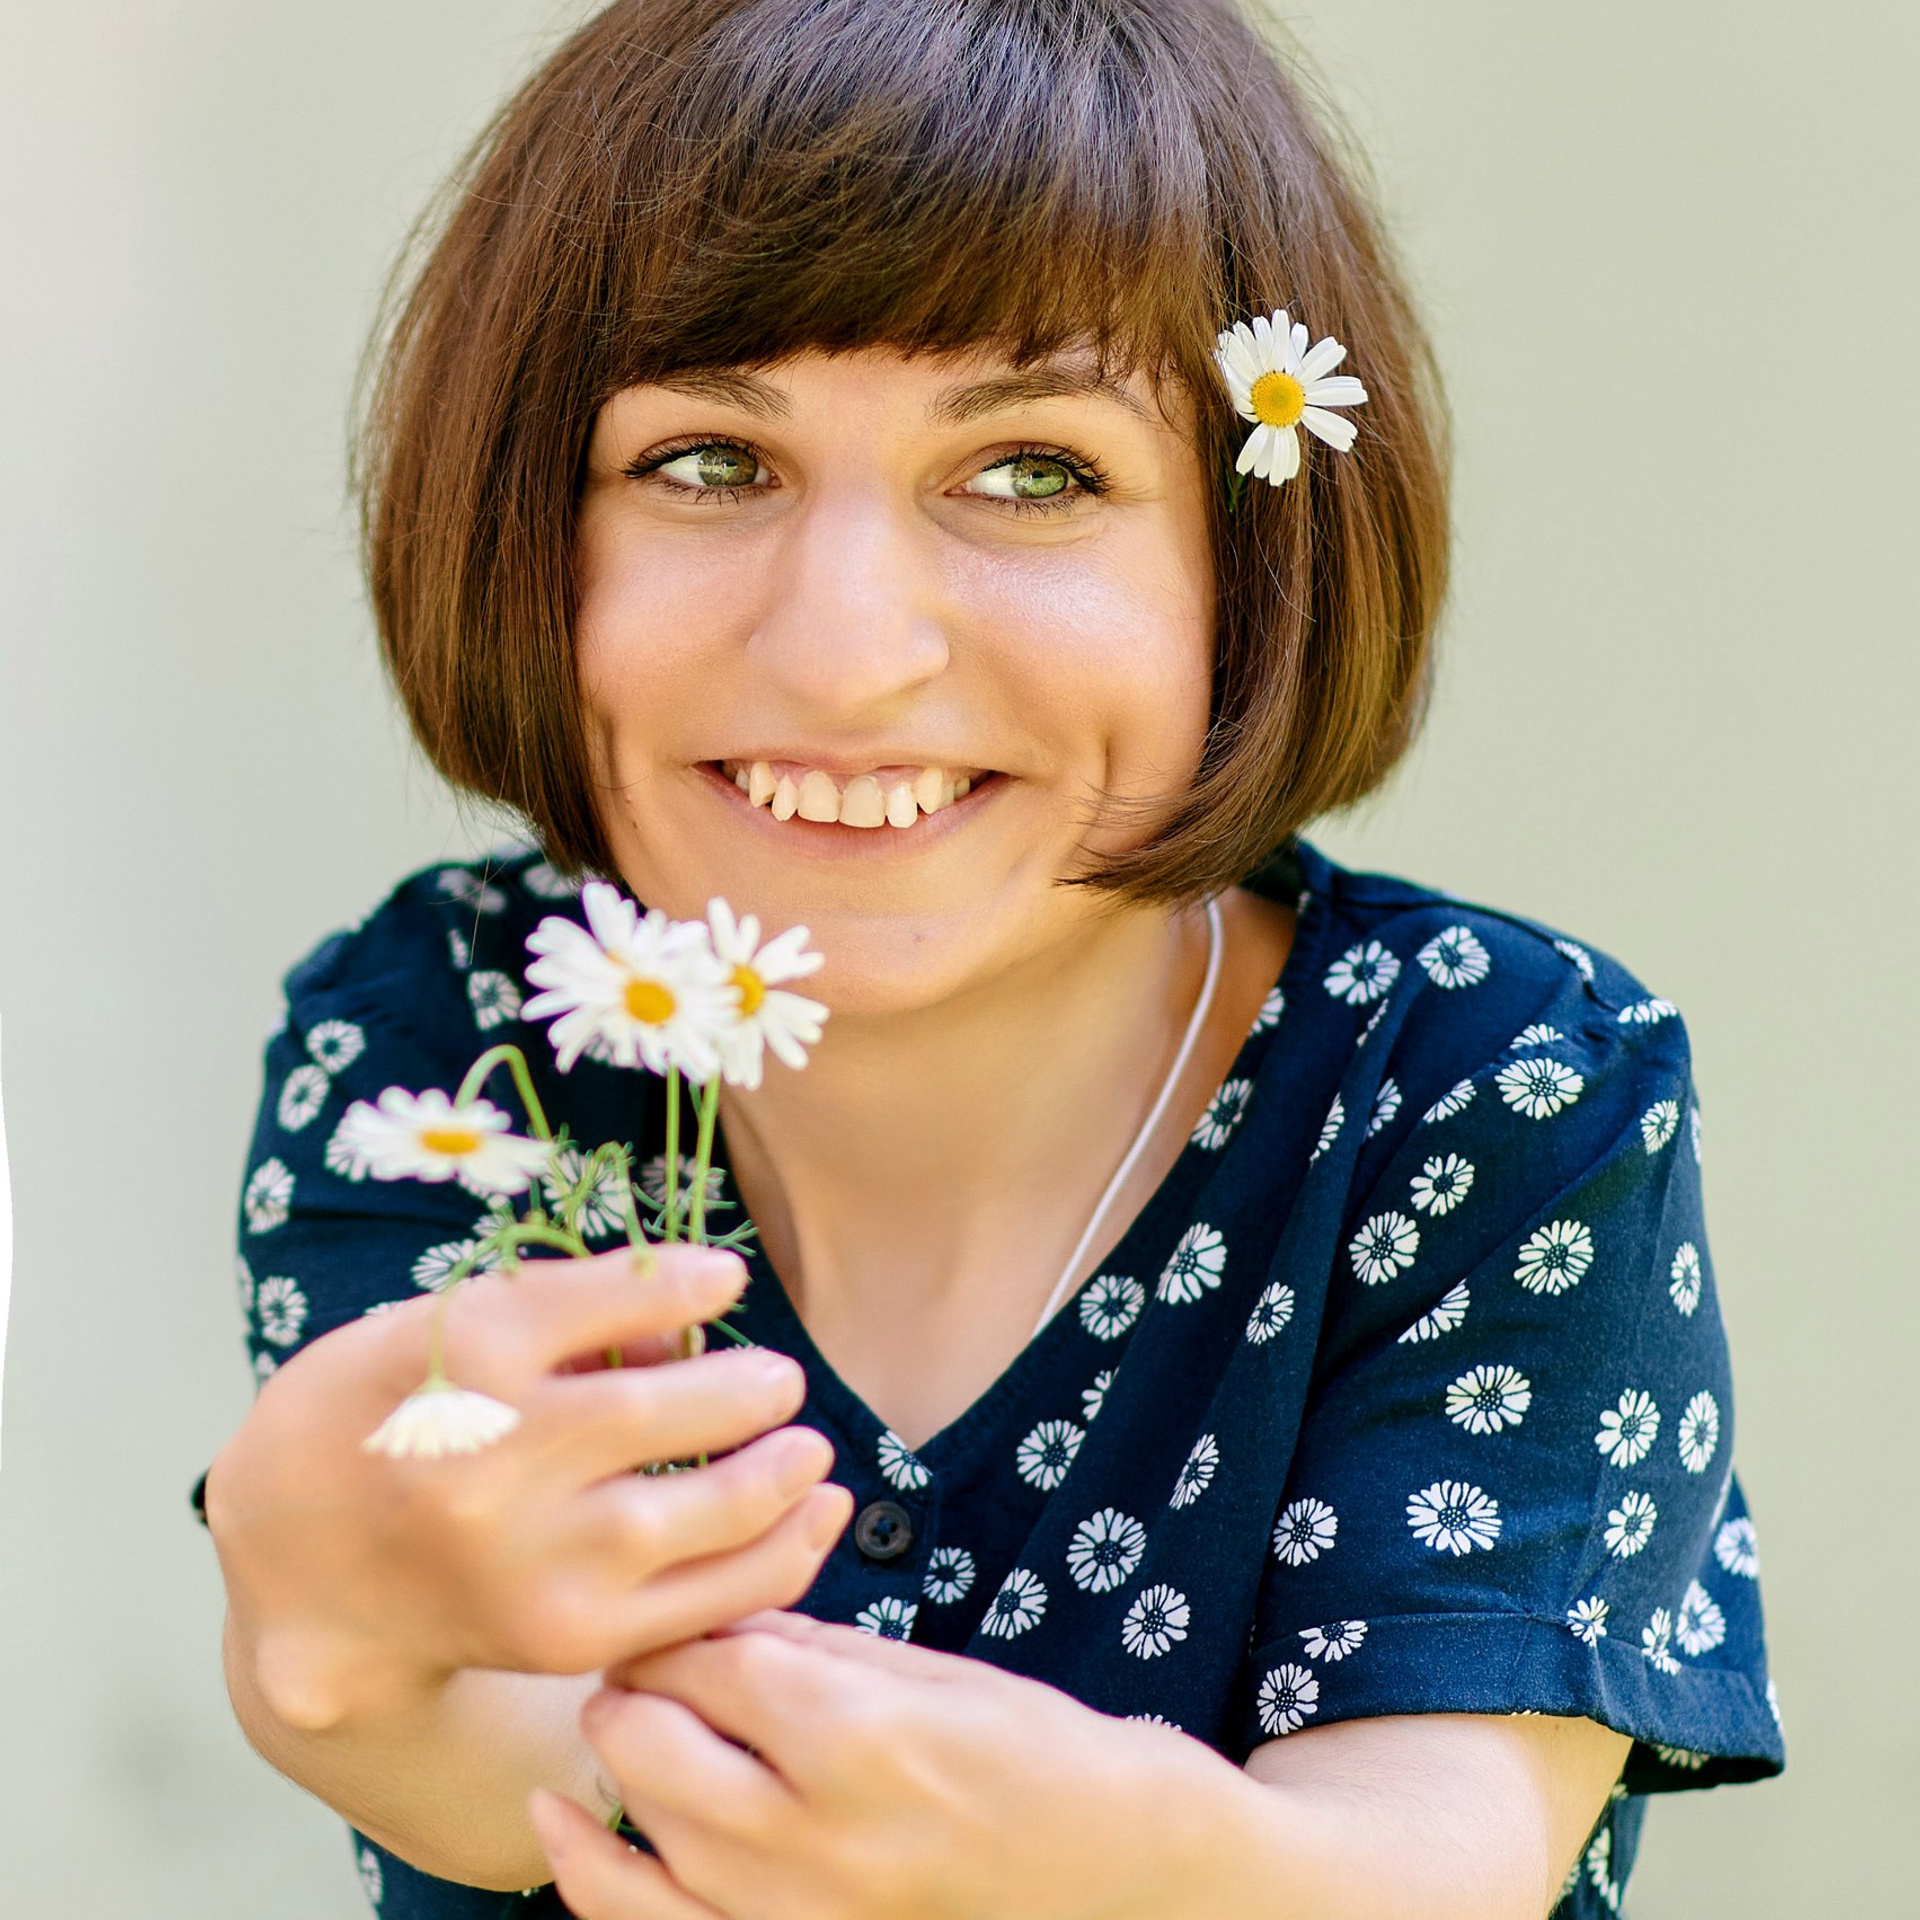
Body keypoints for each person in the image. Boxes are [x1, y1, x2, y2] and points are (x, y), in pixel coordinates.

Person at [198, 1, 1783, 1914]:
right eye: (708, 460)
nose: (848, 650)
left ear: (1249, 557)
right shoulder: (443, 1045)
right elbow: (505, 1760)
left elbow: (1429, 1863)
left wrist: (1097, 1858)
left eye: (1032, 470)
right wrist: (338, 1663)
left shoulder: (1494, 1080)